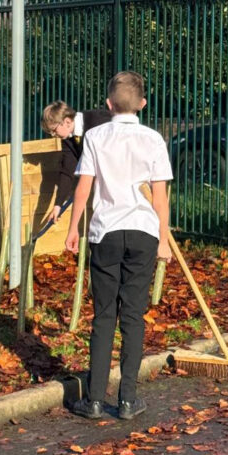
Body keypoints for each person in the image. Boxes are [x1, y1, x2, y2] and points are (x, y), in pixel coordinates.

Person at [64, 71, 173, 420]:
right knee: (133, 315)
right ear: (142, 103)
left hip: (106, 231)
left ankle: (94, 398)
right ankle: (127, 399)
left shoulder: (95, 136)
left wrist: (73, 227)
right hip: (142, 231)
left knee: (104, 315)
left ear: (109, 104)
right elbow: (160, 195)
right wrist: (165, 239)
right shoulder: (154, 139)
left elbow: (84, 185)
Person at [41, 101, 113, 223]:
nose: (53, 135)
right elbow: (67, 171)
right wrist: (58, 205)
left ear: (67, 122)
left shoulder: (98, 120)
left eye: (54, 130)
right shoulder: (68, 139)